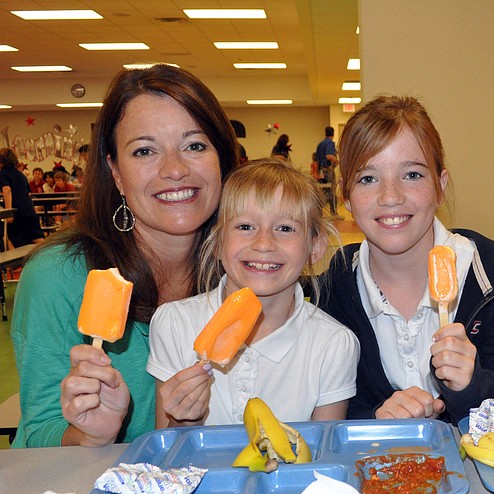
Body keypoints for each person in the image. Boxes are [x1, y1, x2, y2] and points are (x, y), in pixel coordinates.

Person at [11, 64, 239, 448]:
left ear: (222, 160)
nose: (175, 169)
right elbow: (39, 435)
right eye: (145, 151)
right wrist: (89, 433)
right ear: (115, 172)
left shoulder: (242, 275)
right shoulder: (58, 276)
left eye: (195, 145)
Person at [319, 95, 494, 424]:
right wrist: (373, 421)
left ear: (440, 186)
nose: (391, 196)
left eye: (412, 175)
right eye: (368, 179)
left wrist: (473, 386)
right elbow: (329, 413)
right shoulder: (334, 289)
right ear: (346, 197)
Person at [147, 159, 359, 427]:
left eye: (285, 228)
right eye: (245, 227)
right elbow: (168, 459)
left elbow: (321, 455)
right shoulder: (174, 324)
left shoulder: (333, 345)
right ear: (217, 242)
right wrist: (185, 420)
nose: (263, 243)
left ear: (314, 247)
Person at [1, 147, 44, 248]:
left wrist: (8, 211)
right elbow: (28, 193)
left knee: (7, 236)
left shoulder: (2, 174)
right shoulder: (21, 175)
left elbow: (7, 190)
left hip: (16, 211)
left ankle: (14, 263)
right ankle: (50, 257)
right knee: (37, 238)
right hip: (28, 209)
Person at [315, 126, 339, 215]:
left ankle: (318, 209)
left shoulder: (320, 144)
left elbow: (316, 160)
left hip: (321, 171)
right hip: (328, 171)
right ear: (333, 134)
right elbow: (329, 156)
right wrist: (338, 162)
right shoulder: (330, 143)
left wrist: (317, 172)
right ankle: (333, 213)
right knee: (331, 192)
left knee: (325, 191)